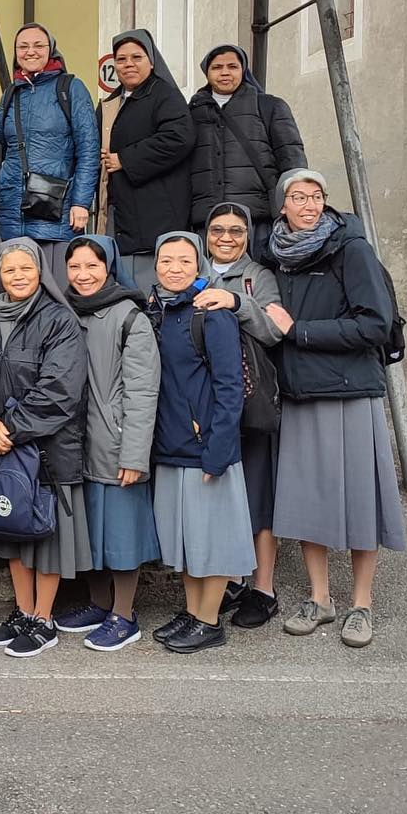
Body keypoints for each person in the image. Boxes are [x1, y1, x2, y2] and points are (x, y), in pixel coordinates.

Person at [265, 170, 406, 647]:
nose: (308, 204)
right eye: (297, 196)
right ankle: (320, 598)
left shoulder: (351, 248)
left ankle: (362, 604)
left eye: (316, 196)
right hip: (302, 392)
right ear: (281, 205)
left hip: (350, 391)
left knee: (361, 498)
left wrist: (300, 331)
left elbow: (375, 324)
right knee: (308, 500)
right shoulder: (277, 255)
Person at [0, 239, 90, 658]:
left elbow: (60, 390)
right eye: (9, 270)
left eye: (26, 268)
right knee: (13, 529)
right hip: (1, 442)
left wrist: (10, 428)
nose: (18, 276)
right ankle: (23, 612)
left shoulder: (59, 320)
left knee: (46, 535)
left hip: (46, 447)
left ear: (40, 270)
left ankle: (44, 619)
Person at [145, 231, 254, 654]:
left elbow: (230, 389)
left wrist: (219, 450)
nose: (174, 268)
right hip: (170, 445)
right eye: (166, 261)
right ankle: (193, 613)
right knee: (188, 541)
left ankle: (210, 620)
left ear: (199, 264)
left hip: (206, 447)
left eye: (184, 261)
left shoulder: (212, 314)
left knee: (214, 540)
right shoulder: (157, 310)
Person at [55, 235, 161, 651]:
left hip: (115, 444)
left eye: (92, 266)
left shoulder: (129, 316)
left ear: (109, 267)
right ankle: (100, 605)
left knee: (122, 534)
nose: (83, 275)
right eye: (75, 267)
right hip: (76, 442)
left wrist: (134, 452)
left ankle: (125, 614)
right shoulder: (64, 311)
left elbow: (142, 390)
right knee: (91, 533)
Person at [194, 202, 286, 629]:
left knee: (258, 494)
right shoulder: (191, 266)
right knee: (225, 496)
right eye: (217, 230)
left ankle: (263, 589)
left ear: (248, 234)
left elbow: (272, 332)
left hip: (250, 402)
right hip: (206, 405)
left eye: (235, 230)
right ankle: (231, 578)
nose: (226, 238)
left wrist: (236, 301)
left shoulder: (259, 277)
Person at [0, 24, 99, 261]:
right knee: (15, 281)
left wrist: (81, 202)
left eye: (38, 45)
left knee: (53, 285)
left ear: (51, 49)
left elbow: (88, 150)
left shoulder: (71, 88)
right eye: (23, 46)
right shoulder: (12, 92)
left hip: (53, 209)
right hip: (10, 209)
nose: (31, 51)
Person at [188, 44, 308, 257]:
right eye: (217, 67)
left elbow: (291, 159)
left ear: (243, 70)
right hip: (208, 221)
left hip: (258, 220)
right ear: (207, 72)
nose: (225, 72)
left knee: (260, 279)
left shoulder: (269, 106)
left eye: (232, 66)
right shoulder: (192, 113)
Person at [101, 29, 195, 292]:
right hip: (123, 216)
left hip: (156, 217)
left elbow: (180, 138)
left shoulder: (164, 95)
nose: (128, 64)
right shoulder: (111, 102)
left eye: (136, 57)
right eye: (121, 59)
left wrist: (126, 159)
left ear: (151, 61)